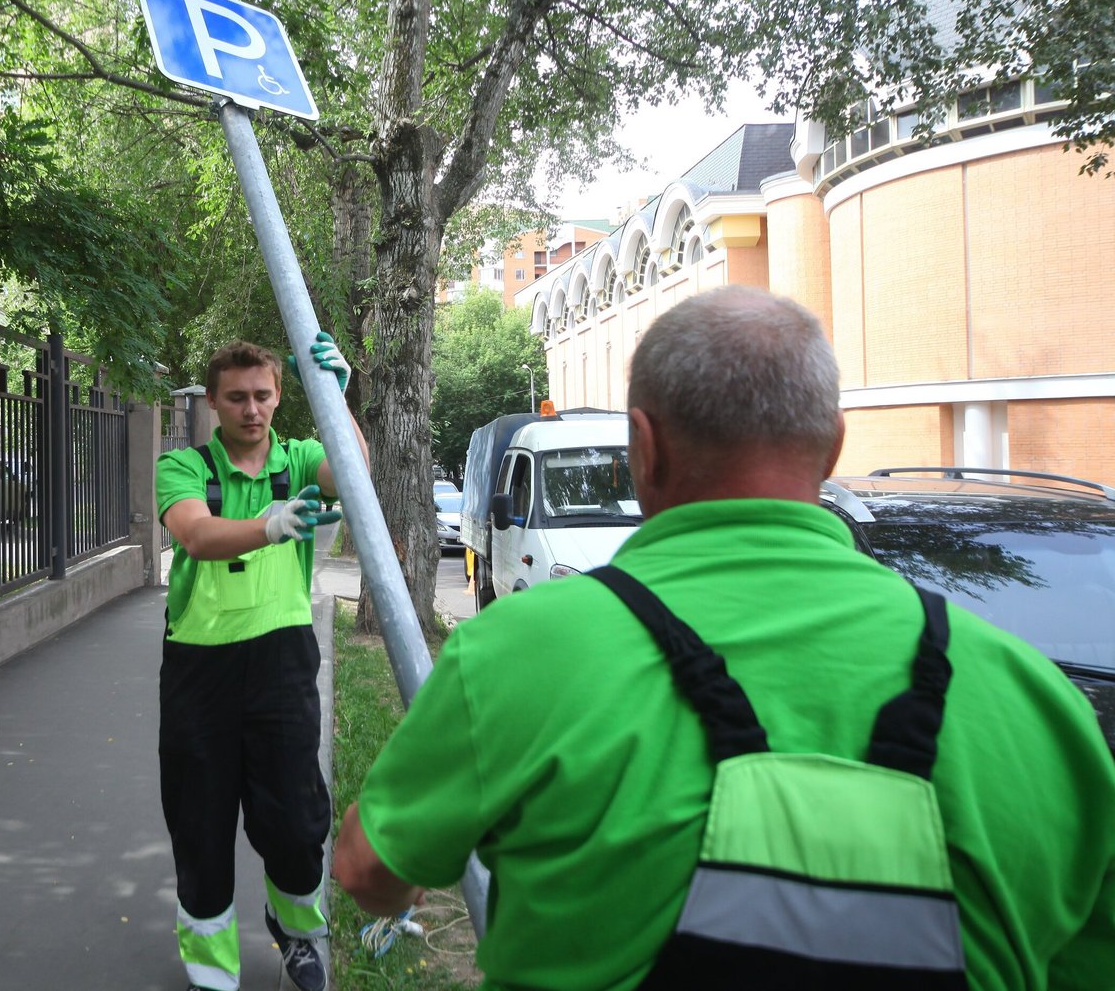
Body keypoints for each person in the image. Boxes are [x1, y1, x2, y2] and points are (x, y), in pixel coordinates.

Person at [333, 287, 1115, 989]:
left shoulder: (518, 651)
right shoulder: (1041, 702)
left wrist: (403, 889)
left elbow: (368, 867)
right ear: (833, 445)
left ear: (644, 446)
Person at [156, 333, 367, 991]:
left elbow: (354, 476)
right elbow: (194, 531)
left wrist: (336, 392)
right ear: (215, 402)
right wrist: (268, 525)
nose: (252, 409)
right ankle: (212, 970)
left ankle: (298, 936)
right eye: (238, 398)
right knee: (201, 823)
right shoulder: (186, 467)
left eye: (264, 396)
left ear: (279, 397)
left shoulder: (300, 457)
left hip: (280, 660)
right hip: (200, 669)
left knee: (295, 820)